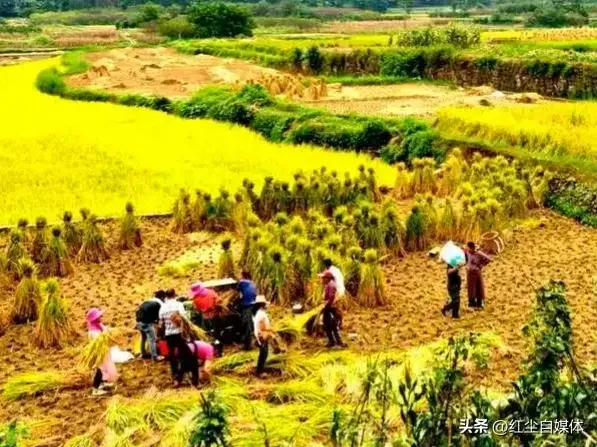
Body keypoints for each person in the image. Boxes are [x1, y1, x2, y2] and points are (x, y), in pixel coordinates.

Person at [159, 289, 193, 387]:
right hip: (179, 333)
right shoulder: (178, 304)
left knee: (172, 356)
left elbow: (161, 323)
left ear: (166, 296)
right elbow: (185, 318)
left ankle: (175, 376)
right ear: (174, 295)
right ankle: (184, 376)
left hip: (168, 334)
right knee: (184, 354)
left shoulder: (162, 307)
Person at [86, 307, 117, 397]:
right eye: (99, 316)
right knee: (100, 369)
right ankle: (95, 389)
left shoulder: (98, 325)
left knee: (104, 368)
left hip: (103, 352)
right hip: (100, 352)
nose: (101, 317)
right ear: (95, 318)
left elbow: (105, 331)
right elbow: (99, 342)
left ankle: (101, 384)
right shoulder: (94, 332)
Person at [135, 290, 165, 361]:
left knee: (143, 337)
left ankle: (143, 353)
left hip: (138, 322)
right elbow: (160, 317)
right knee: (152, 339)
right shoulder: (160, 303)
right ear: (162, 297)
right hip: (146, 323)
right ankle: (155, 356)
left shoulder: (148, 301)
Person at [321, 270, 345, 348]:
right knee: (328, 325)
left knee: (332, 325)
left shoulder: (331, 285)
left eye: (323, 278)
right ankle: (333, 341)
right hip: (329, 307)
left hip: (330, 309)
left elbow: (331, 297)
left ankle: (337, 342)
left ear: (327, 278)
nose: (322, 279)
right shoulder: (328, 284)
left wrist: (325, 306)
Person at [465, 242, 492, 309]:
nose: (467, 248)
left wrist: (481, 265)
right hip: (469, 273)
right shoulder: (467, 252)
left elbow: (488, 259)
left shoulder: (478, 253)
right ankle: (472, 303)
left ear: (471, 247)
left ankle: (479, 303)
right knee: (471, 288)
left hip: (476, 272)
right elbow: (465, 256)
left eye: (468, 247)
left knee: (478, 287)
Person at [238, 270, 257, 350]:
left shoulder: (242, 282)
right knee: (250, 323)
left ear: (243, 275)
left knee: (247, 325)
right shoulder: (252, 283)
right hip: (253, 304)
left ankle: (247, 345)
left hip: (247, 305)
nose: (239, 276)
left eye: (240, 275)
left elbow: (235, 289)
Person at [253, 295, 271, 377]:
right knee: (263, 353)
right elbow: (261, 326)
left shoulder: (259, 313)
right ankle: (259, 372)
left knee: (263, 353)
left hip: (261, 335)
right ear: (262, 305)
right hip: (262, 336)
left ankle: (260, 370)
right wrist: (269, 330)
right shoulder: (261, 314)